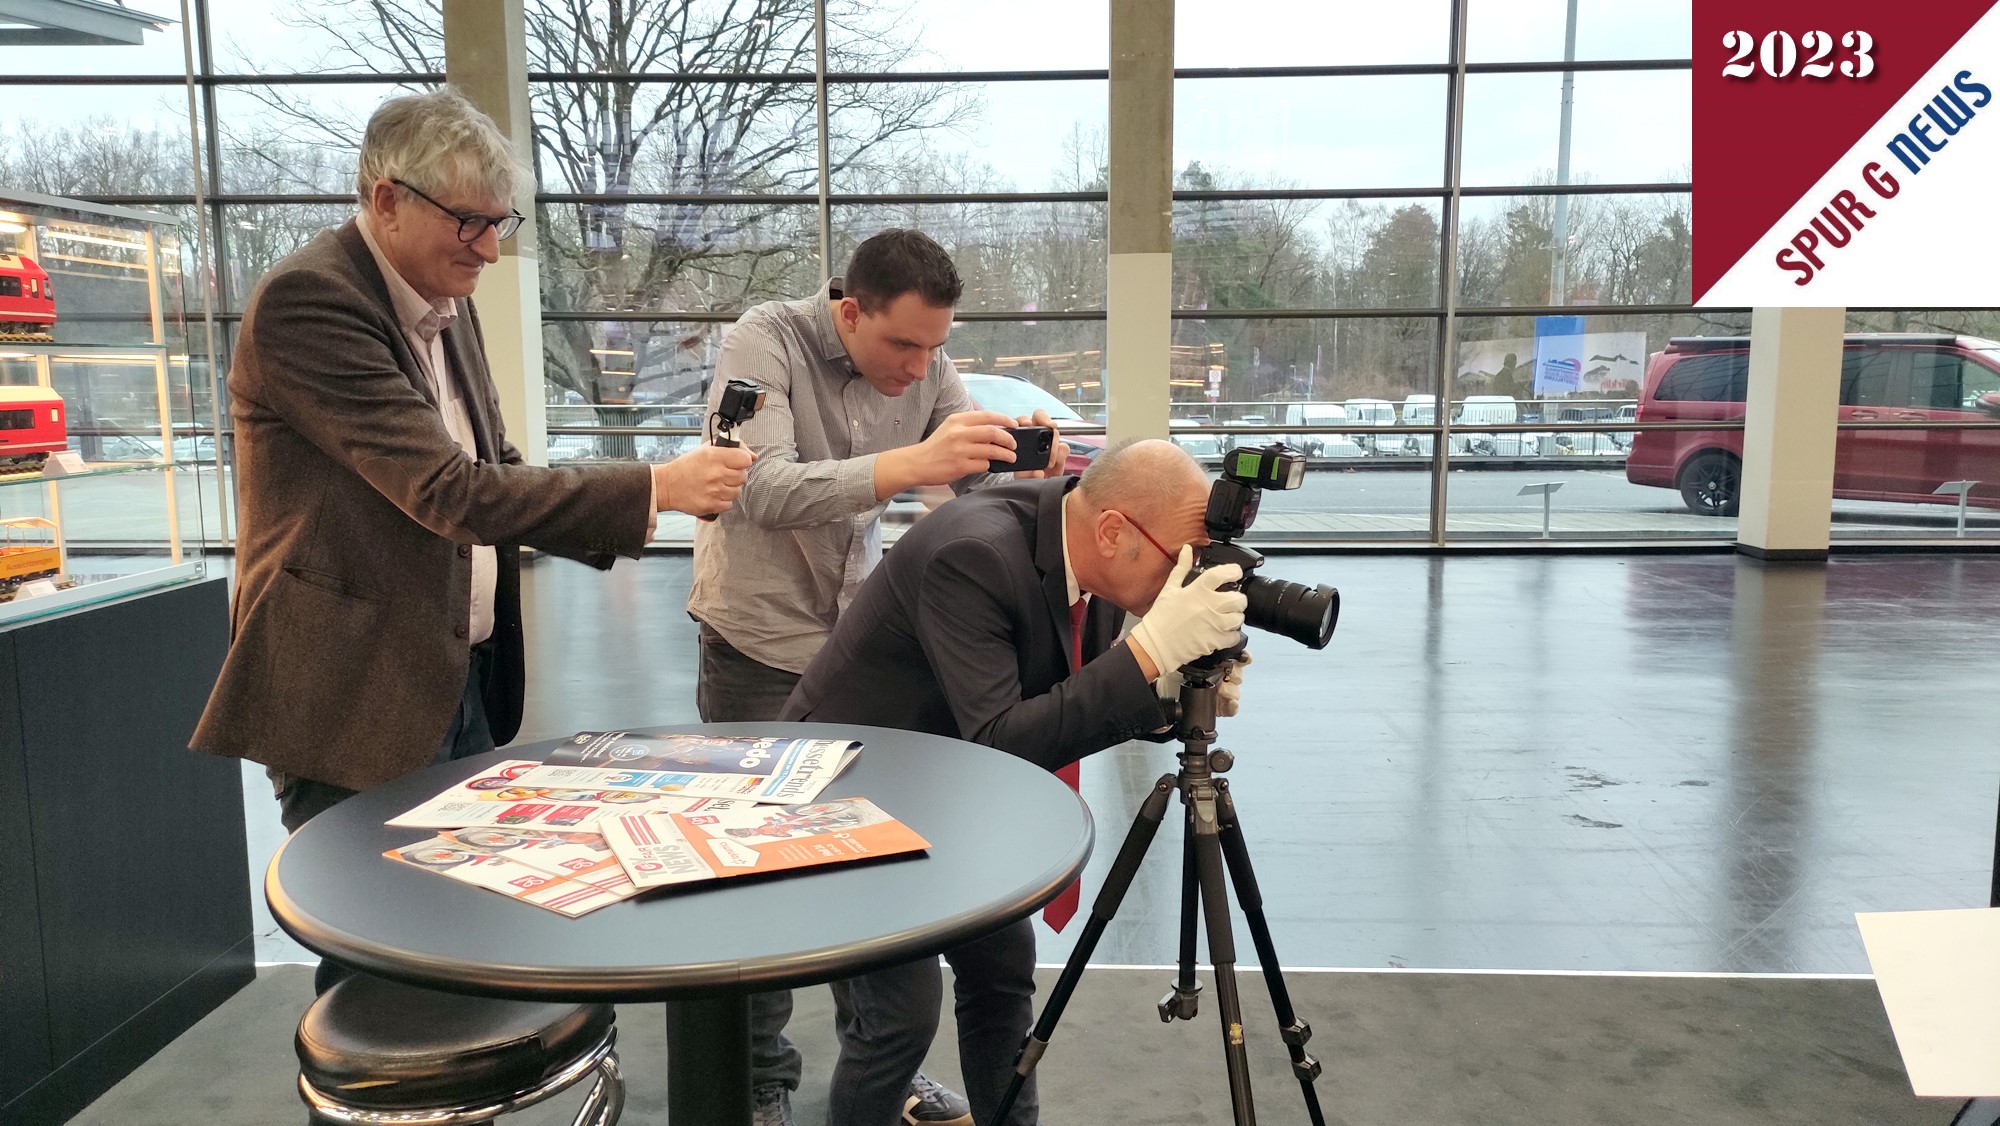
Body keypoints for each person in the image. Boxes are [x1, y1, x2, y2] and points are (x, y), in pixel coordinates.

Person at [190, 89, 752, 844]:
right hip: (355, 693)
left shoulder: (443, 297)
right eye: (470, 223)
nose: (489, 250)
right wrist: (656, 486)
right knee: (383, 950)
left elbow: (497, 462)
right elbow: (446, 490)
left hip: (461, 675)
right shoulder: (309, 302)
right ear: (387, 201)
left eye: (499, 223)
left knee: (460, 933)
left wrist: (631, 510)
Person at [685, 228, 1066, 1126]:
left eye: (936, 347)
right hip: (755, 648)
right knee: (760, 880)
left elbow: (960, 490)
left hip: (853, 654)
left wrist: (1011, 470)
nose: (922, 366)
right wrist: (909, 465)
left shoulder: (926, 365)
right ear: (849, 311)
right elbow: (754, 488)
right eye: (903, 344)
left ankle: (881, 1066)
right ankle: (760, 1080)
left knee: (856, 867)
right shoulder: (763, 341)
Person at [781, 439, 1251, 1126]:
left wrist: (1169, 693)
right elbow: (1002, 739)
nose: (1182, 580)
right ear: (1115, 529)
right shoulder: (972, 553)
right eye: (1177, 559)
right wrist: (1150, 653)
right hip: (855, 792)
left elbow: (1066, 704)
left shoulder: (1088, 552)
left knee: (1002, 971)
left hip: (948, 783)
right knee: (900, 1021)